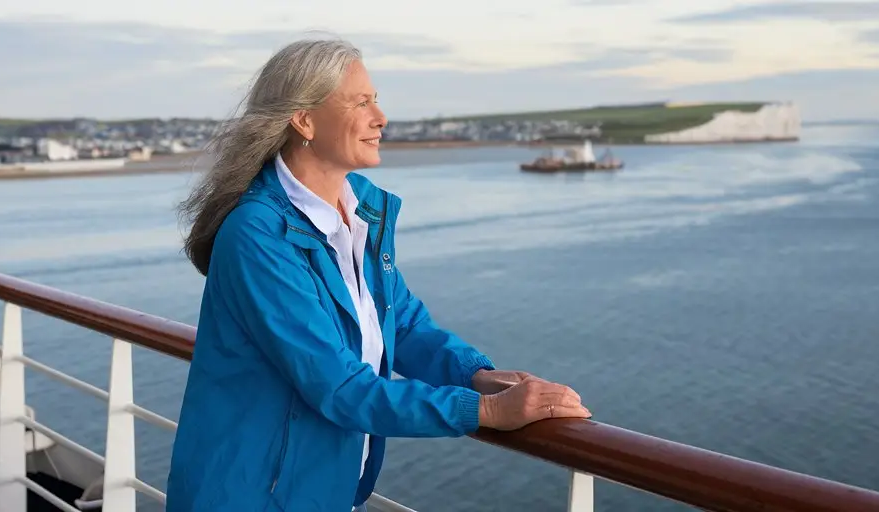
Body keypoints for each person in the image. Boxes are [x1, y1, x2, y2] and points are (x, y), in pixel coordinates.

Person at [167, 38, 591, 512]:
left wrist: (477, 376)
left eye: (377, 99)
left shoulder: (360, 212)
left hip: (321, 488)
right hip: (248, 495)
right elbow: (338, 386)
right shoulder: (258, 234)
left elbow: (405, 325)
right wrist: (485, 412)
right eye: (361, 102)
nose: (381, 117)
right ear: (304, 120)